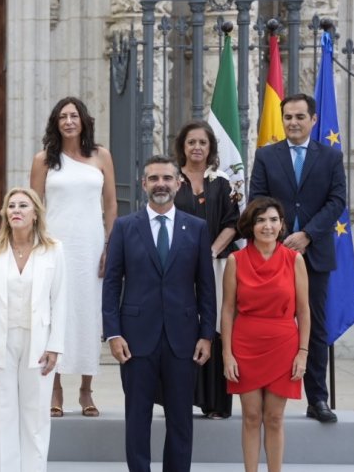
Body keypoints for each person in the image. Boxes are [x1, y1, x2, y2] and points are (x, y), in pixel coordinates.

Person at [102, 155, 217, 472]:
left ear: (178, 184)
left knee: (180, 420)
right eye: (154, 178)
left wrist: (206, 334)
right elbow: (111, 284)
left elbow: (206, 287)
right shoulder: (125, 227)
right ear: (143, 184)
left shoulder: (196, 228)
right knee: (137, 418)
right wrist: (113, 333)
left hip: (183, 339)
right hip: (136, 340)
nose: (161, 184)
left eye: (167, 178)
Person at [248, 92, 346, 424]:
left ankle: (317, 397)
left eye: (300, 117)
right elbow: (257, 199)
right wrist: (279, 236)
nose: (293, 122)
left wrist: (308, 235)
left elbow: (337, 200)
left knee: (313, 325)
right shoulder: (266, 156)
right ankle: (264, 393)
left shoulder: (331, 157)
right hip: (273, 253)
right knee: (268, 325)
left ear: (313, 120)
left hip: (314, 253)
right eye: (288, 117)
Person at [30, 96, 116, 418]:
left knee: (87, 313)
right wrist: (35, 247)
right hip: (54, 244)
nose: (69, 121)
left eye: (74, 116)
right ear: (56, 122)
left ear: (84, 121)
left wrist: (110, 246)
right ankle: (55, 388)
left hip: (90, 246)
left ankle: (86, 388)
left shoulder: (101, 156)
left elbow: (110, 205)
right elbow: (34, 206)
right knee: (54, 315)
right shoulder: (43, 160)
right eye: (63, 116)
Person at [0, 187, 66, 472]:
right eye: (11, 206)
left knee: (36, 415)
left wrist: (55, 346)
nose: (16, 210)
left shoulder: (54, 249)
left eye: (23, 205)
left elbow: (60, 299)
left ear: (35, 214)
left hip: (38, 341)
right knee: (1, 414)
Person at [224, 197, 311, 472]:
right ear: (251, 225)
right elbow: (227, 310)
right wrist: (227, 354)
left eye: (274, 220)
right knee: (251, 416)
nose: (268, 226)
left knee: (274, 417)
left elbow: (305, 311)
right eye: (261, 220)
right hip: (245, 344)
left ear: (282, 225)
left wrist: (303, 353)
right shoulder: (235, 260)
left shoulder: (294, 259)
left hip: (284, 344)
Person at [173, 120, 241, 419]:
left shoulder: (221, 182)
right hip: (179, 267)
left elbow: (233, 223)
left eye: (203, 142)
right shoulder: (172, 181)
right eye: (191, 142)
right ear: (183, 147)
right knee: (183, 327)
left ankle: (216, 402)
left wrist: (211, 251)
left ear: (211, 147)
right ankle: (181, 398)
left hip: (217, 265)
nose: (197, 147)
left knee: (215, 327)